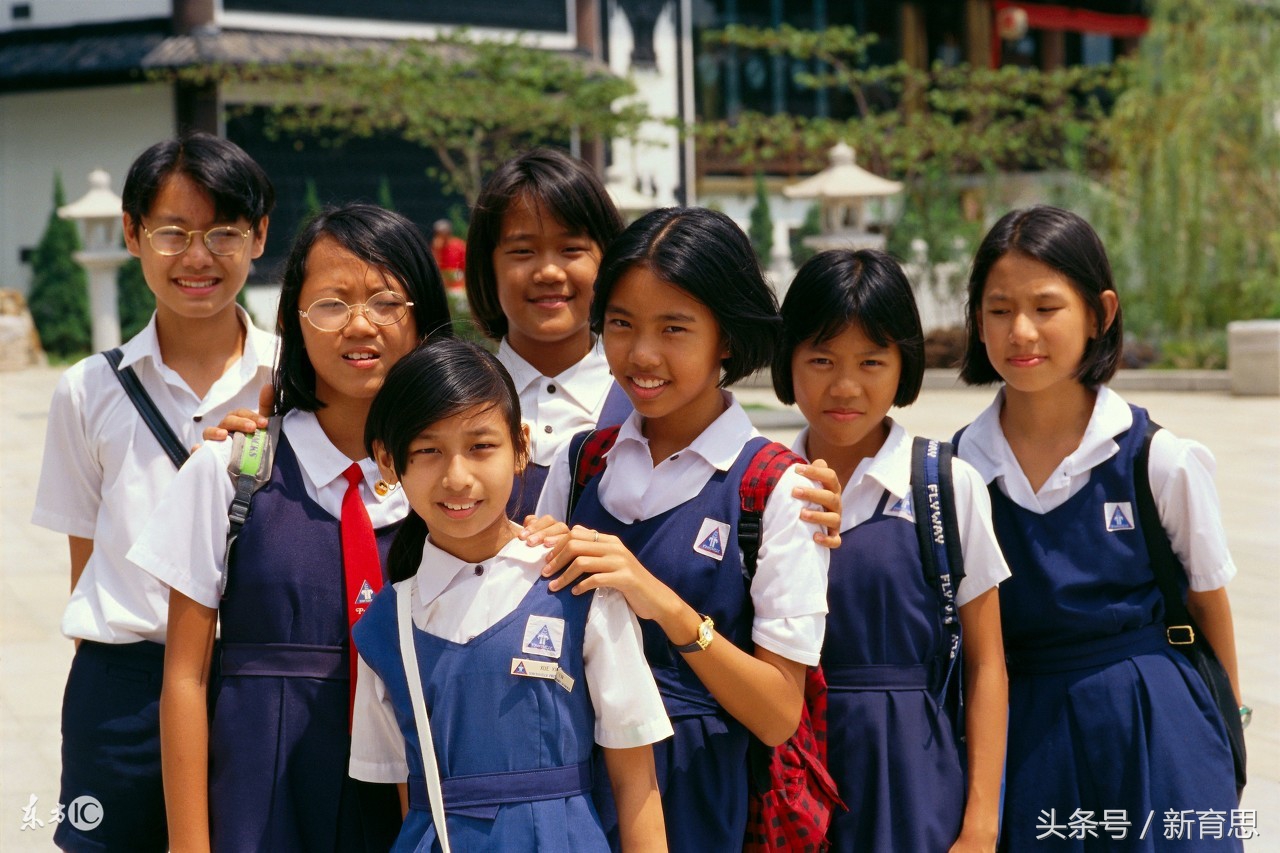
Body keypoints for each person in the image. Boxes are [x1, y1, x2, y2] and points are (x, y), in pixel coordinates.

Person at [127, 203, 454, 852]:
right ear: (295, 323)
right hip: (263, 794)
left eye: (386, 301)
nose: (359, 324)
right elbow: (184, 677)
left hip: (424, 792)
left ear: (422, 318)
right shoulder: (229, 470)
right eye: (331, 304)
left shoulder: (457, 485)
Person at [536, 206, 831, 852]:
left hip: (704, 800)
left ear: (725, 337)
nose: (642, 354)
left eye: (675, 328)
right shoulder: (581, 463)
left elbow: (781, 712)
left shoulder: (779, 488)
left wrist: (663, 603)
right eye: (621, 324)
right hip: (574, 786)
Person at [954, 205, 1243, 851]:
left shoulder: (1158, 458)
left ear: (1100, 312)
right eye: (999, 309)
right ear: (976, 321)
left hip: (1158, 729)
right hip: (1026, 739)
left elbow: (1207, 601)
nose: (1021, 330)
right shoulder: (958, 471)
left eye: (1046, 307)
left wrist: (1228, 731)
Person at [31, 132, 275, 852]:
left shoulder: (297, 381)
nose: (197, 257)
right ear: (134, 235)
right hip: (123, 690)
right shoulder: (87, 389)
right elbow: (87, 556)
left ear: (259, 236)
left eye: (223, 232)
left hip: (258, 678)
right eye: (173, 232)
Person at [350, 337, 671, 852]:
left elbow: (637, 784)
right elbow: (410, 794)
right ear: (389, 462)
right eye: (428, 450)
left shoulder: (577, 586)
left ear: (521, 447)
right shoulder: (384, 628)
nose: (457, 477)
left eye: (480, 446)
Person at [773, 249, 1009, 852]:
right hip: (784, 766)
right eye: (821, 359)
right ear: (788, 362)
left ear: (904, 364)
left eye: (872, 361)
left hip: (912, 773)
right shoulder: (760, 484)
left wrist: (981, 825)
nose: (845, 386)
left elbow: (986, 665)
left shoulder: (945, 485)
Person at [464, 148, 631, 521]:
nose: (549, 272)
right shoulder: (450, 401)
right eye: (523, 251)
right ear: (487, 266)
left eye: (571, 249)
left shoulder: (648, 405)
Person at [431, 219, 466, 291]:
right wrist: (437, 251)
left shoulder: (459, 246)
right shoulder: (435, 248)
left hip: (458, 287)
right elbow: (434, 268)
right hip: (442, 287)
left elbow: (465, 267)